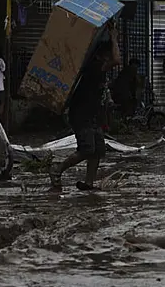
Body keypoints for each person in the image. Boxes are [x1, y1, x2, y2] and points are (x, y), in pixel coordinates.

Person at [49, 21, 121, 192]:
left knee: (99, 150)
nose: (109, 58)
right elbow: (117, 59)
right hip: (81, 115)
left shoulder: (97, 68)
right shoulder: (94, 68)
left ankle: (89, 183)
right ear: (99, 56)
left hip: (92, 115)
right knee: (87, 149)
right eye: (106, 55)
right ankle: (57, 169)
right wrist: (114, 38)